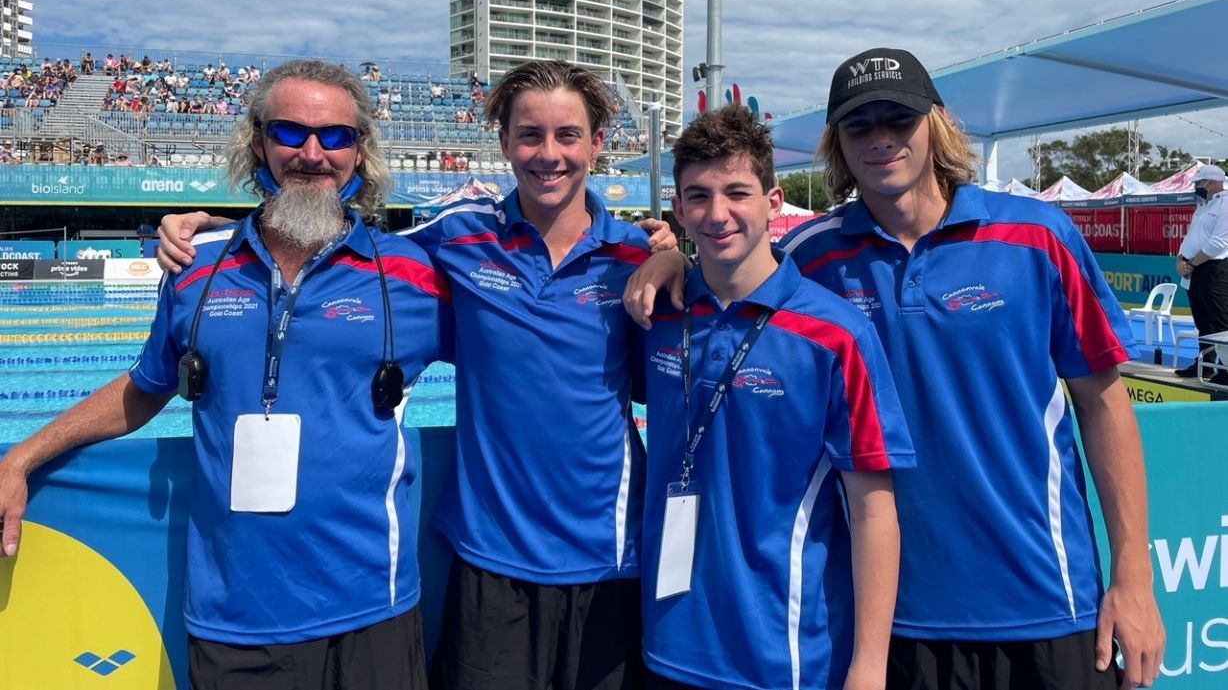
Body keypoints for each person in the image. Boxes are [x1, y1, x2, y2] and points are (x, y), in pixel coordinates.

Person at [626, 48, 1164, 690]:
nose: (881, 139)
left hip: (1043, 596)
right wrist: (672, 264)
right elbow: (733, 274)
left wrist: (1133, 578)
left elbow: (1104, 404)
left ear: (935, 124)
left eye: (898, 119)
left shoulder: (1038, 238)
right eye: (859, 126)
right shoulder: (814, 254)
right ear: (838, 145)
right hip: (890, 623)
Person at [153, 59, 677, 690]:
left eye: (568, 135)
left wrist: (672, 255)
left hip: (612, 558)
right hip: (490, 560)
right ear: (505, 143)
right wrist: (211, 227)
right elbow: (322, 234)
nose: (548, 154)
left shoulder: (636, 260)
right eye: (529, 135)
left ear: (597, 143)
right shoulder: (452, 243)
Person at [0, 60, 451, 689]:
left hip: (372, 603)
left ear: (360, 152)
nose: (313, 154)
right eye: (290, 132)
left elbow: (519, 354)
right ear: (259, 141)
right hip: (234, 612)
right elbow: (145, 387)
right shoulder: (194, 266)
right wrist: (22, 457)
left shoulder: (411, 272)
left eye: (336, 136)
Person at [639, 105, 912, 690]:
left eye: (737, 192)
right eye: (698, 196)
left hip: (786, 656)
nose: (717, 214)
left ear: (773, 201)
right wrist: (663, 260)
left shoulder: (834, 335)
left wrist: (870, 663)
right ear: (679, 210)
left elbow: (873, 508)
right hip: (665, 643)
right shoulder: (660, 315)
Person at [1174, 163, 1228, 382]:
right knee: (1203, 322)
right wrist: (1180, 260)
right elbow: (1190, 238)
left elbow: (1219, 242)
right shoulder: (1203, 206)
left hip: (1214, 270)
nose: (1197, 187)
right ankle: (1205, 364)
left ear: (1213, 182)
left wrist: (1193, 263)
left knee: (1221, 321)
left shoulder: (1225, 204)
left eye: (1200, 183)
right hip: (1194, 269)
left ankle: (1225, 370)